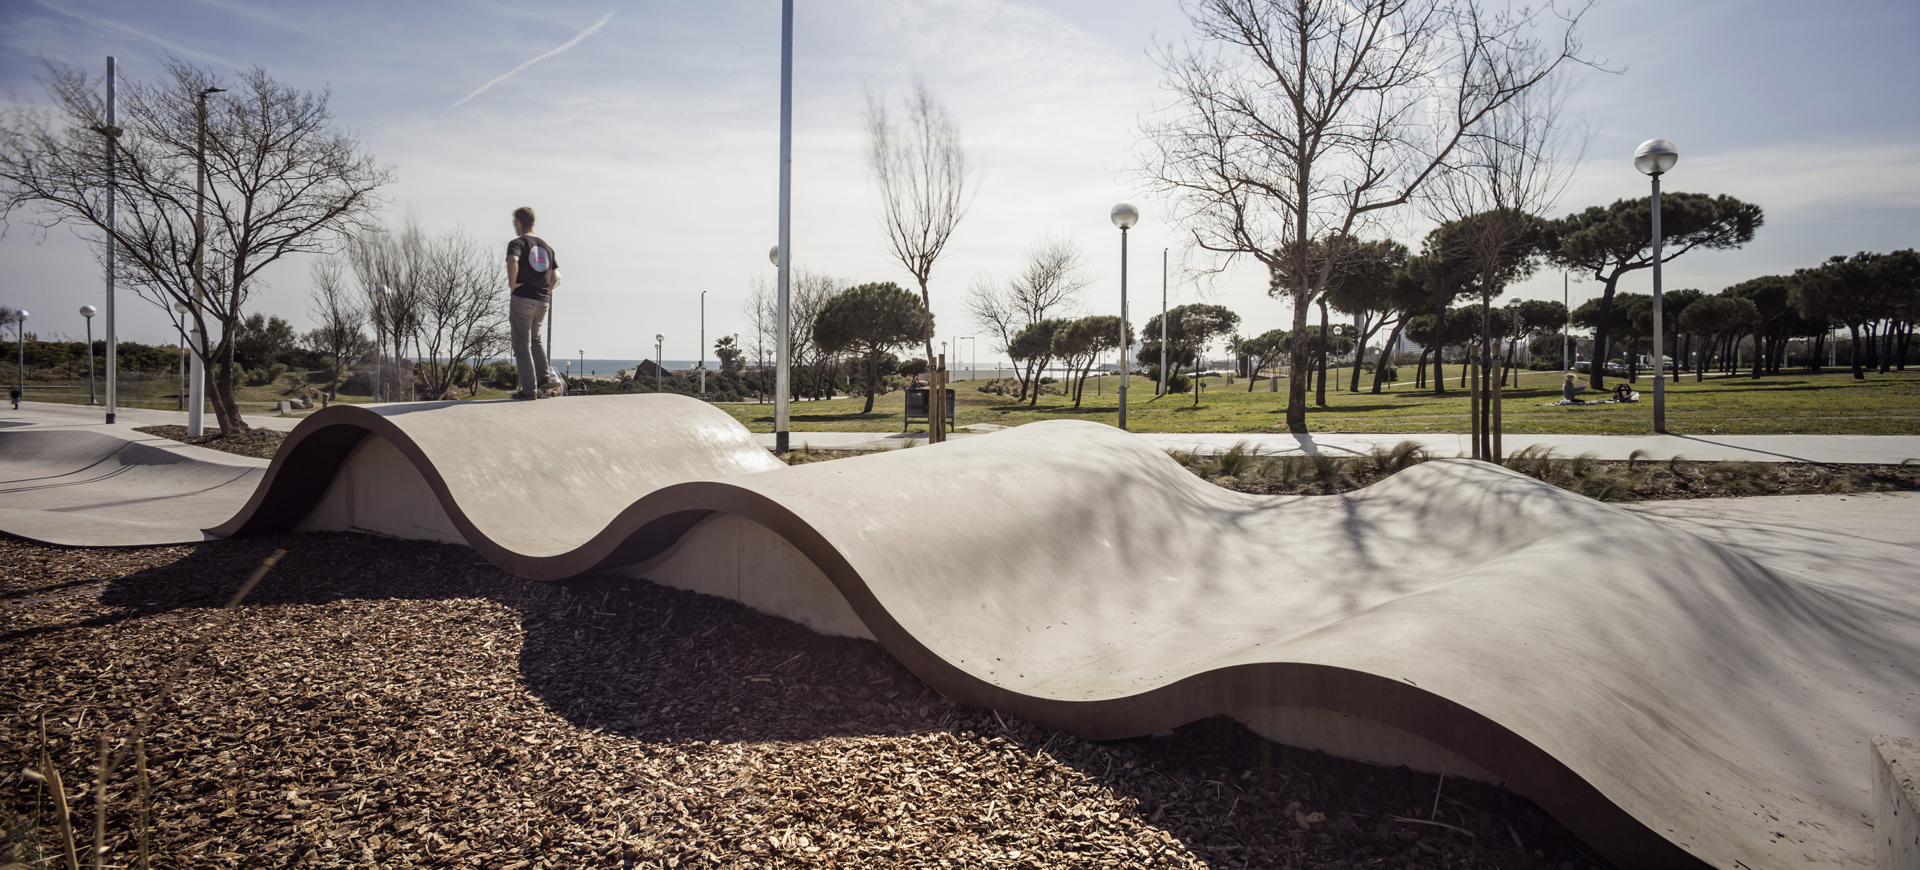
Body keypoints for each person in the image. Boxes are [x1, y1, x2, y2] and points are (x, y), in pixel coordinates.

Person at [505, 207, 560, 400]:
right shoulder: (546, 247)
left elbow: (513, 261)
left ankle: (529, 390)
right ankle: (544, 377)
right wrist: (548, 291)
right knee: (536, 339)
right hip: (543, 300)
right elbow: (555, 276)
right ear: (533, 223)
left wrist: (513, 285)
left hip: (523, 298)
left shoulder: (517, 242)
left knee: (522, 344)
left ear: (518, 223)